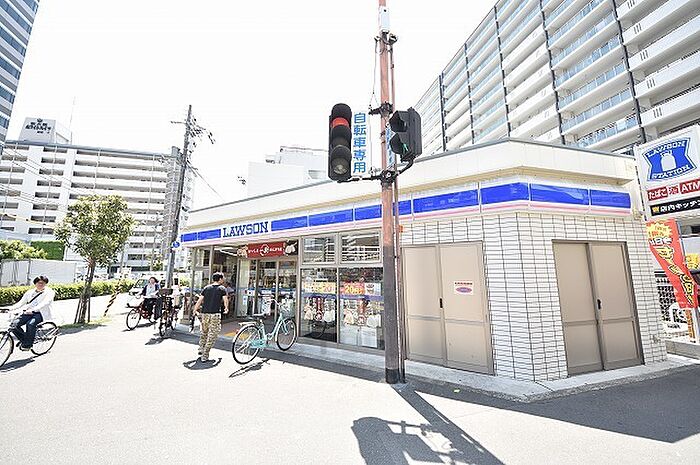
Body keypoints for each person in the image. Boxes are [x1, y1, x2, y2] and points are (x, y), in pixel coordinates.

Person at [8, 276, 55, 351]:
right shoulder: (30, 292)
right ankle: (26, 341)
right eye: (39, 283)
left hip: (41, 313)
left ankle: (28, 345)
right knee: (14, 325)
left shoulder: (49, 292)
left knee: (30, 324)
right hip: (28, 312)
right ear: (35, 283)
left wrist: (33, 309)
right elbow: (21, 303)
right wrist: (10, 308)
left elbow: (45, 303)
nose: (40, 284)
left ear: (46, 284)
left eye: (43, 283)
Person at [193, 272, 229, 362]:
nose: (224, 279)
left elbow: (200, 300)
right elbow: (225, 300)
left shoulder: (206, 288)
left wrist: (195, 310)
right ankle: (205, 354)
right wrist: (226, 308)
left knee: (204, 332)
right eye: (223, 278)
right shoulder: (222, 288)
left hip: (205, 313)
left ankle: (201, 348)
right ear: (220, 279)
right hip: (215, 314)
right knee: (213, 334)